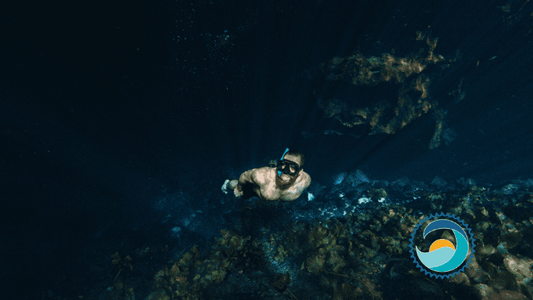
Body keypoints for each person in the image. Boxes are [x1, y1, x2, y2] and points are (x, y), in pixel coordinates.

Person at [221, 149, 311, 201]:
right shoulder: (262, 176)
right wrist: (239, 188)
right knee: (237, 187)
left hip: (275, 198)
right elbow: (244, 175)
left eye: (293, 167)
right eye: (283, 164)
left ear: (300, 172)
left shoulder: (305, 180)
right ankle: (227, 183)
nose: (286, 171)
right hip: (255, 191)